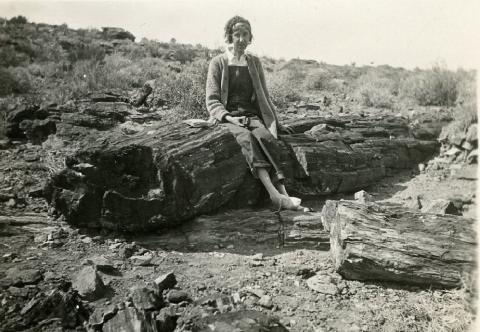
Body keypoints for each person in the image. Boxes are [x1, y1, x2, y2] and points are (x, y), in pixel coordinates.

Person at [205, 15, 309, 211]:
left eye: (246, 35)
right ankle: (273, 194)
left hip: (250, 115)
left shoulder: (254, 62)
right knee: (247, 139)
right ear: (229, 36)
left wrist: (276, 123)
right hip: (227, 117)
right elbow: (212, 100)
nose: (242, 39)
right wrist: (229, 117)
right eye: (237, 35)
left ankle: (284, 193)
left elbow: (264, 96)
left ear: (250, 37)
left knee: (266, 138)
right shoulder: (218, 63)